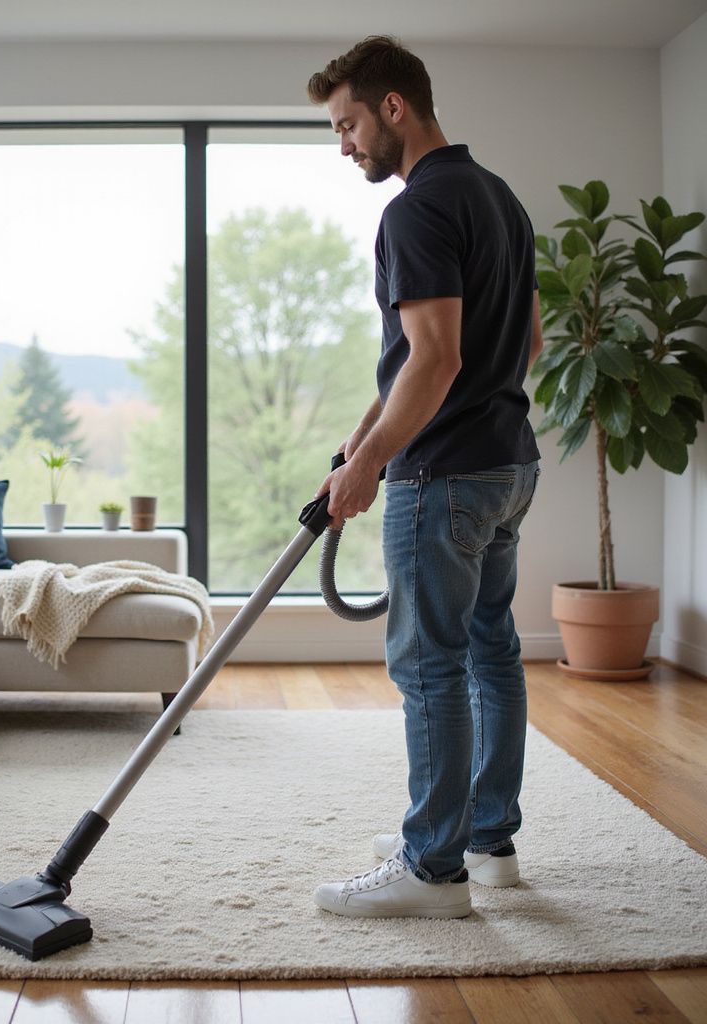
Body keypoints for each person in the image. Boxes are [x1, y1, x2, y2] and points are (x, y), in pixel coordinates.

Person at [306, 36, 544, 919]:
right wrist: (366, 432)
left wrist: (371, 465)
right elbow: (523, 344)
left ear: (394, 107)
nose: (345, 145)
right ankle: (485, 839)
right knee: (492, 652)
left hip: (441, 479)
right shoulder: (500, 200)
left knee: (430, 666)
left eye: (348, 124)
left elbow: (435, 359)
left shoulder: (413, 212)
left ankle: (432, 869)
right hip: (507, 466)